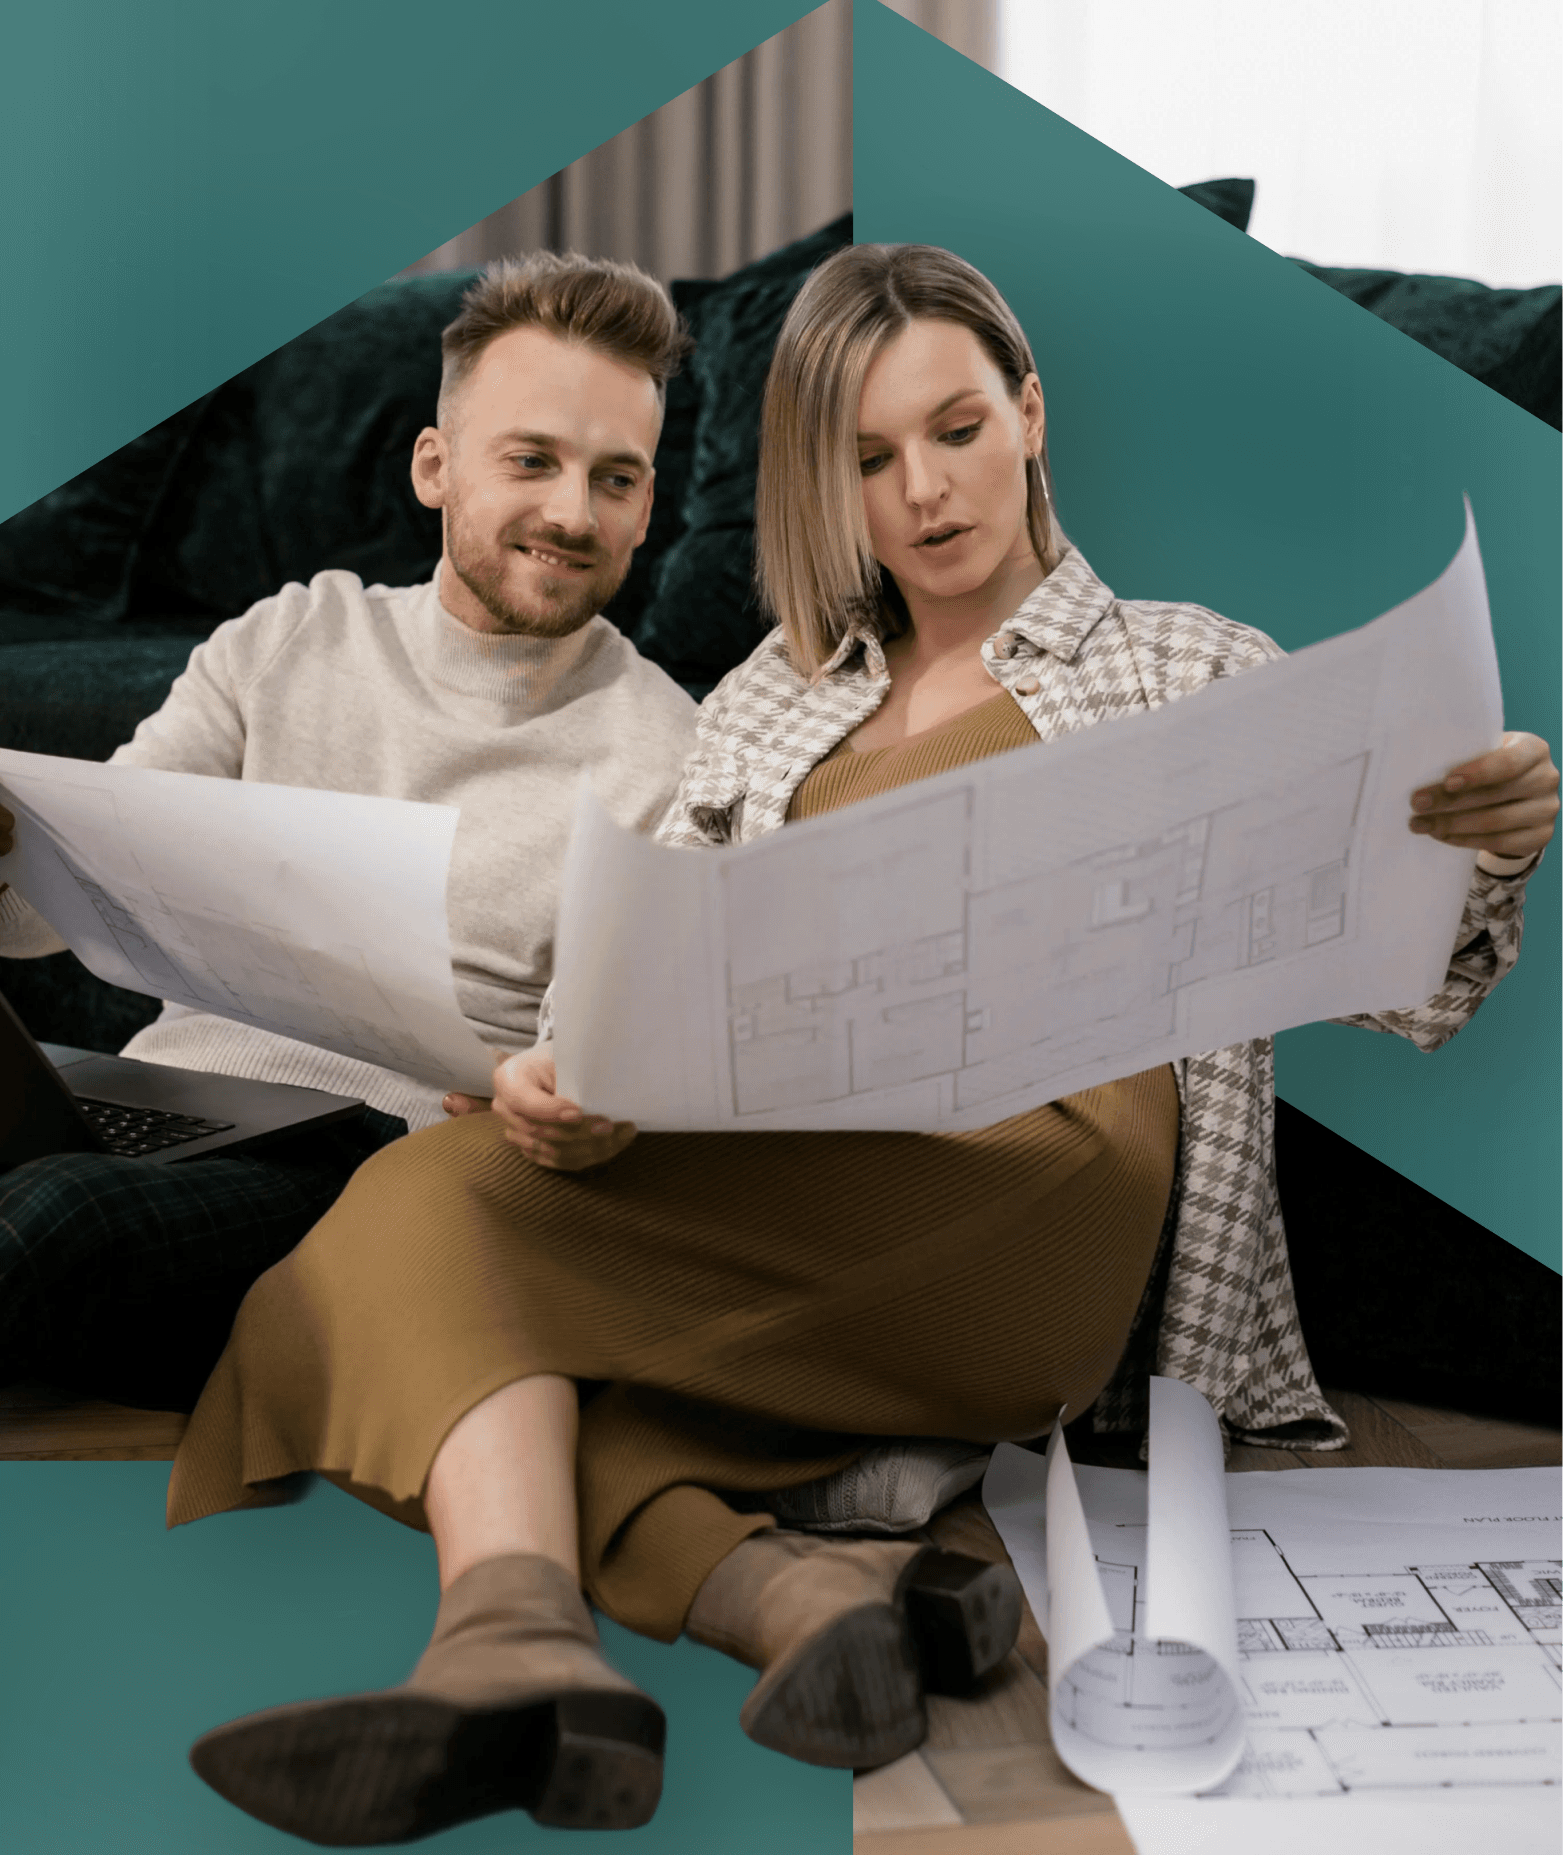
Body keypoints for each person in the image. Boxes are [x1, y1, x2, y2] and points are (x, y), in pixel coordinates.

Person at [165, 244, 1557, 1843]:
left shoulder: (1185, 667)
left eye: (954, 429)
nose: (922, 493)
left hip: (1044, 1180)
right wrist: (581, 1079)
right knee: (441, 1245)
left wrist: (1483, 845)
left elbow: (1407, 986)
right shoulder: (765, 700)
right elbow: (635, 976)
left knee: (425, 1251)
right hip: (780, 1160)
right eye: (866, 459)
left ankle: (547, 1637)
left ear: (1028, 415)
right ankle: (714, 1613)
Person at [0, 252, 700, 1410]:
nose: (573, 513)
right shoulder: (287, 639)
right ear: (436, 467)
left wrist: (584, 1102)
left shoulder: (669, 757)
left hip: (379, 1167)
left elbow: (610, 1062)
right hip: (163, 1108)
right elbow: (47, 913)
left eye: (615, 479)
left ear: (647, 507)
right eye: (531, 460)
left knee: (48, 1225)